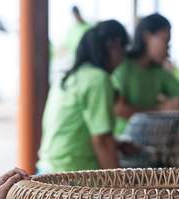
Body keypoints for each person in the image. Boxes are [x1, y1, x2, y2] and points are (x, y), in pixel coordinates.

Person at [37, 20, 129, 173]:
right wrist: (122, 188)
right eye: (124, 48)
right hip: (72, 177)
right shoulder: (98, 79)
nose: (123, 59)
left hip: (48, 170)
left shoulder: (70, 77)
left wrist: (117, 144)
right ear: (114, 45)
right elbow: (102, 141)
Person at [112, 13, 179, 137]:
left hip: (149, 138)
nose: (167, 48)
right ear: (147, 36)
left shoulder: (158, 72)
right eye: (165, 40)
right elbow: (119, 109)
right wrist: (161, 110)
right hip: (123, 141)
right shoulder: (123, 66)